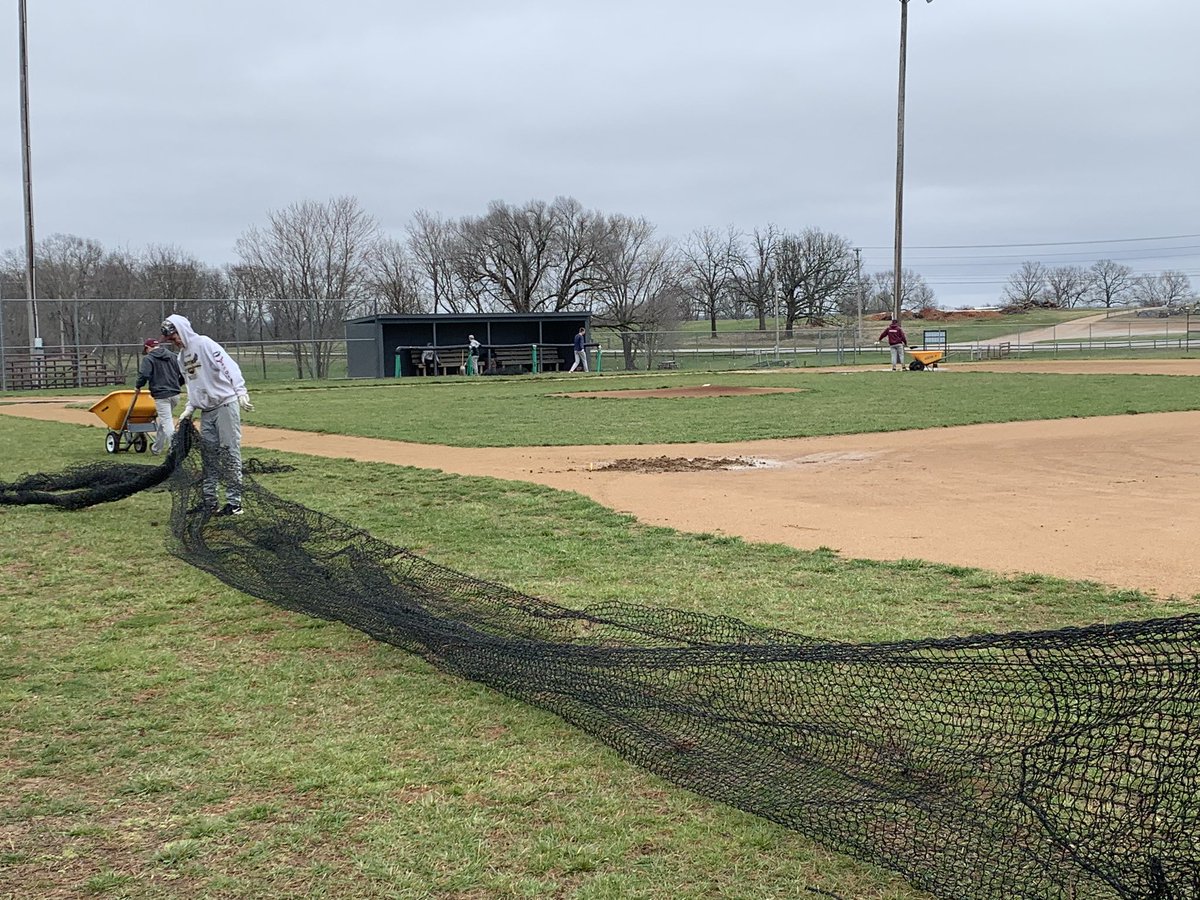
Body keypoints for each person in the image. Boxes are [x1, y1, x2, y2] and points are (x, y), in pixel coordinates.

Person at [160, 314, 253, 517]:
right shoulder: (181, 358)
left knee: (229, 452)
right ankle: (209, 502)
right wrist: (190, 408)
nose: (174, 341)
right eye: (170, 339)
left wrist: (240, 391)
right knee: (208, 455)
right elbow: (194, 385)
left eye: (174, 335)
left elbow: (228, 366)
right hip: (206, 411)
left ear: (181, 329)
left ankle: (234, 502)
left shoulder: (204, 343)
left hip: (225, 405)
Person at [135, 338, 184, 455]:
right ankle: (157, 448)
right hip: (175, 394)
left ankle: (175, 447)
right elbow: (183, 372)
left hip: (161, 395)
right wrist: (178, 384)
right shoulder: (172, 356)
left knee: (166, 421)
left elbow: (144, 374)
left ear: (147, 348)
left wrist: (138, 386)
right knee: (163, 422)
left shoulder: (149, 358)